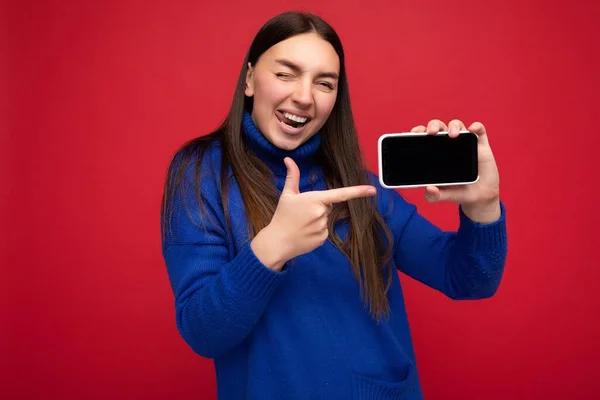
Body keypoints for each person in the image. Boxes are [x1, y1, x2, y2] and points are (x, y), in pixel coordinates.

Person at [160, 10, 507, 400]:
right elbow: (202, 332)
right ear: (249, 79)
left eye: (324, 83)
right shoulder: (202, 173)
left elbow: (470, 278)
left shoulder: (358, 188)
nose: (304, 97)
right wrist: (273, 247)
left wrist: (484, 206)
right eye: (285, 74)